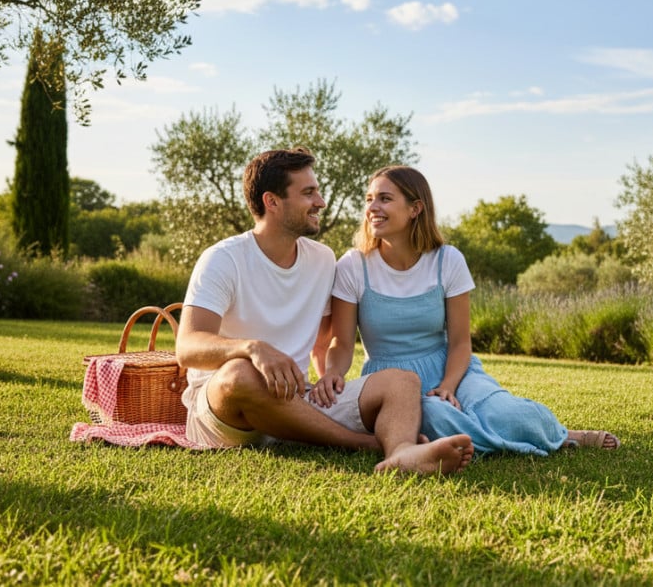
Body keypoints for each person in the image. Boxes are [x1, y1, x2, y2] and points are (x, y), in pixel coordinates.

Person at [175, 149, 473, 475]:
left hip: (293, 400)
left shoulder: (321, 260)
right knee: (240, 373)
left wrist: (329, 377)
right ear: (272, 202)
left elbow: (326, 341)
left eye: (317, 191)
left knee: (402, 381)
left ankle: (402, 452)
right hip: (223, 412)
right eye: (308, 193)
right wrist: (252, 348)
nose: (321, 201)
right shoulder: (224, 259)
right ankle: (362, 444)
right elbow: (187, 347)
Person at [311, 165, 619, 456]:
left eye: (385, 198)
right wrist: (333, 374)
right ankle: (503, 440)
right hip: (391, 380)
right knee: (435, 418)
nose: (372, 208)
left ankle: (562, 434)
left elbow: (460, 342)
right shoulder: (353, 265)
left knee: (506, 413)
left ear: (415, 208)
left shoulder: (448, 260)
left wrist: (447, 386)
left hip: (451, 368)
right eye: (369, 199)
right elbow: (342, 342)